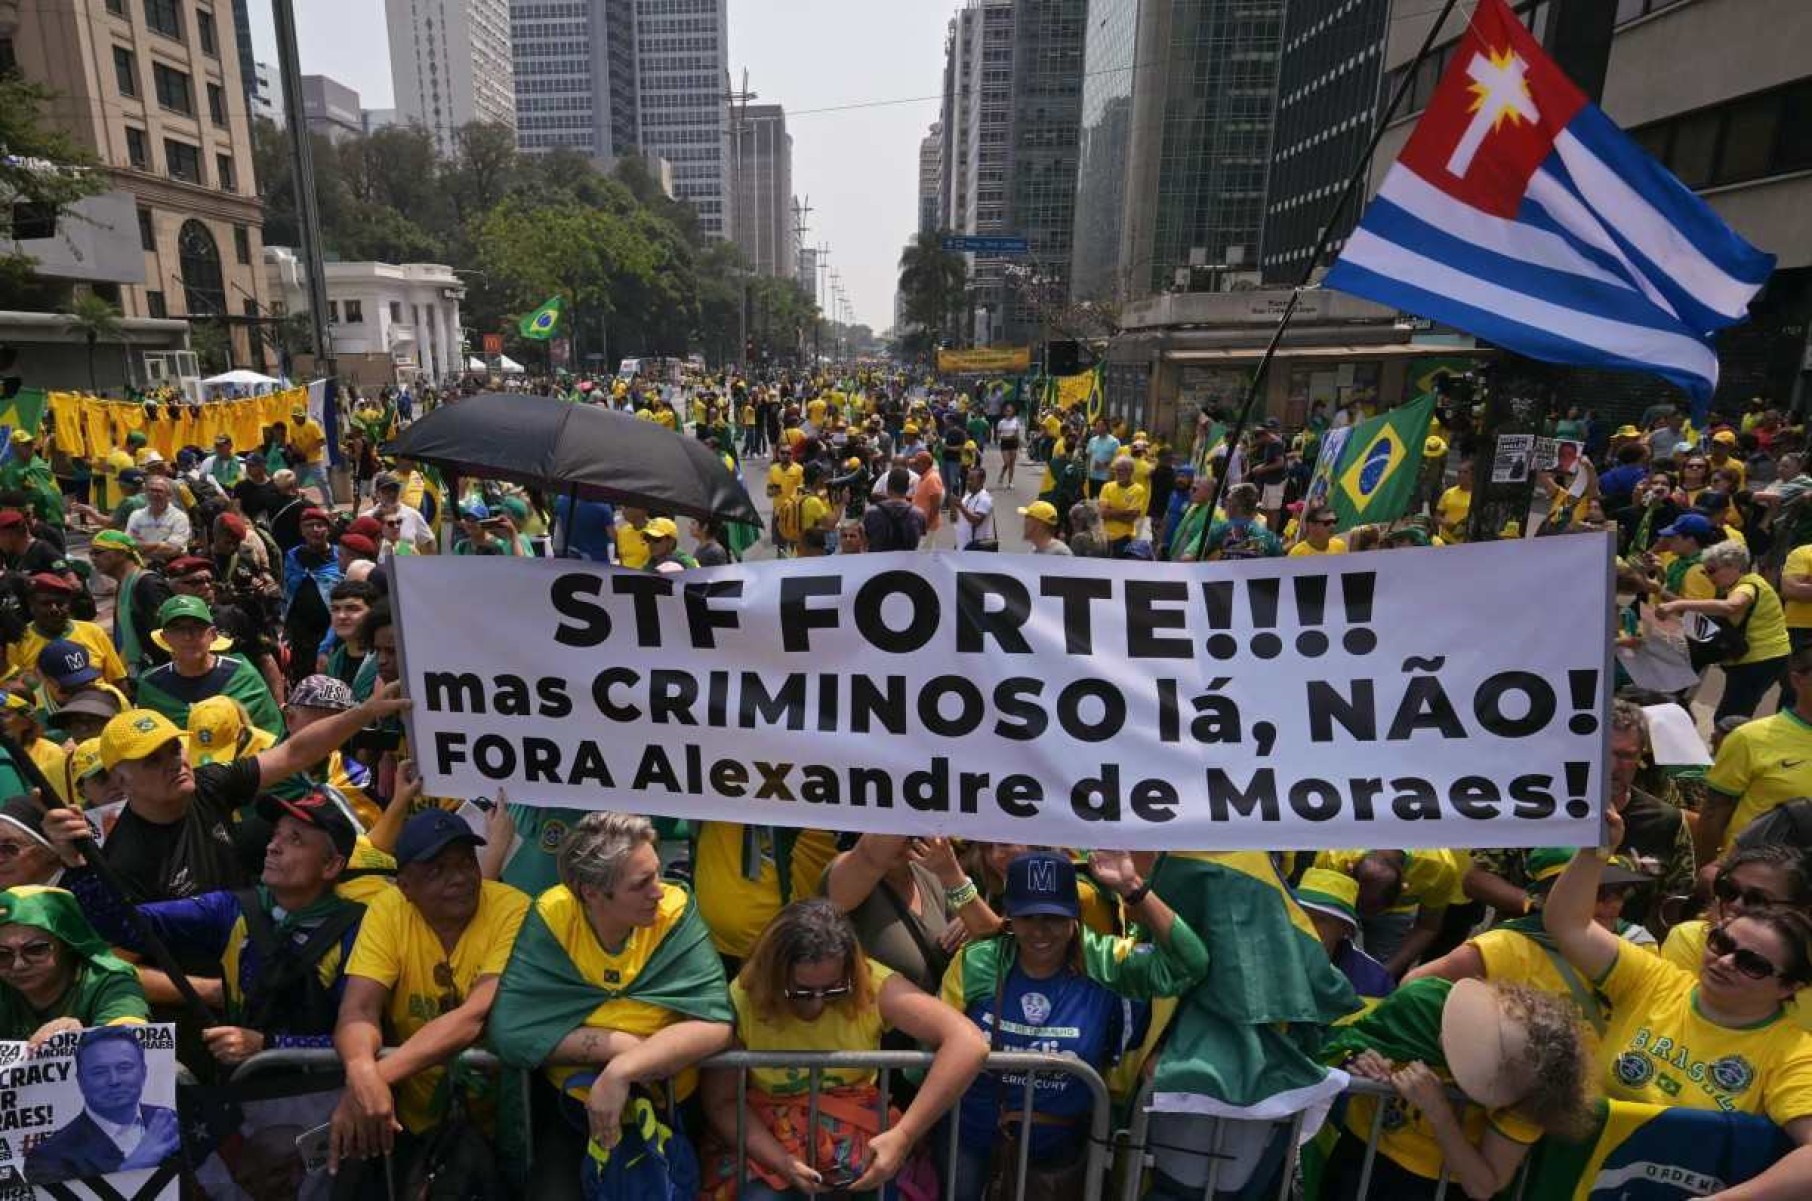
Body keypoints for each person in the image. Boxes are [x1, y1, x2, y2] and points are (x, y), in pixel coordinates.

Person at [1543, 809, 1812, 1194]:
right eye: (1722, 944)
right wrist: (1594, 852)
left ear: (1790, 987)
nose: (1726, 962)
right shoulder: (1654, 981)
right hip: (1580, 1178)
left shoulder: (1794, 1054)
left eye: (1752, 964)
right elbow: (1568, 925)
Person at [940, 851, 1208, 1197]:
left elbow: (1191, 964)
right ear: (1009, 916)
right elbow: (930, 1052)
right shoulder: (978, 961)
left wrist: (1134, 888)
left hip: (1062, 1156)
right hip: (972, 1142)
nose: (1039, 931)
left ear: (1075, 918)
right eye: (1027, 917)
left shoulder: (1105, 961)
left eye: (1053, 917)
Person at [52, 790, 365, 1067]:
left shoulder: (360, 929)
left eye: (295, 839)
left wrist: (267, 1046)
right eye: (276, 834)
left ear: (331, 866)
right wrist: (78, 864)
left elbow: (363, 1038)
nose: (273, 847)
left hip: (333, 1099)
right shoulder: (230, 909)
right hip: (244, 1103)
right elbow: (124, 926)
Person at [698, 899, 987, 1199]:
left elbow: (969, 1043)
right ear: (773, 976)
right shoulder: (744, 995)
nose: (817, 1004)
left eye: (834, 990)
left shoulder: (873, 983)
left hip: (858, 1140)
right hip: (770, 1142)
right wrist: (782, 1163)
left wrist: (903, 1135)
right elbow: (723, 1101)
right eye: (801, 992)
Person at [491, 813, 733, 1153]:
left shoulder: (675, 908)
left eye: (657, 874)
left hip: (669, 1106)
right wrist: (621, 1046)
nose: (658, 892)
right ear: (591, 893)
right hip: (571, 1106)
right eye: (641, 884)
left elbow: (716, 1023)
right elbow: (511, 1032)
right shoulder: (553, 913)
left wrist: (624, 1068)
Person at [40, 684, 408, 904]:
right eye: (152, 760)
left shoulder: (208, 783)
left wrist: (364, 713)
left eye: (174, 748)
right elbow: (127, 963)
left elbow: (294, 753)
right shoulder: (115, 853)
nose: (175, 763)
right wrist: (214, 990)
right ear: (121, 781)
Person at [330, 809, 531, 1175]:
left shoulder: (512, 907)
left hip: (502, 1120)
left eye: (466, 863)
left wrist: (373, 1079)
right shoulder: (388, 909)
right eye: (437, 870)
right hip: (408, 1119)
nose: (459, 879)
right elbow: (359, 1009)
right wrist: (360, 1070)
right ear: (404, 887)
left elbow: (475, 1017)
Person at [1319, 976, 1594, 1200]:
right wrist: (1360, 1061)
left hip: (1429, 1188)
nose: (1448, 1041)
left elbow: (1483, 1186)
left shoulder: (1532, 1088)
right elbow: (1351, 1041)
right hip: (1357, 1159)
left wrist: (1439, 1112)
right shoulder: (1421, 1004)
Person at [1408, 849, 1657, 1026]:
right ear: (1551, 897)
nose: (1609, 904)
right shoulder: (1504, 945)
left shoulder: (1639, 945)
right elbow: (1414, 989)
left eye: (1617, 893)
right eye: (1595, 893)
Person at [1660, 844, 1812, 1031]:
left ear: (1802, 910)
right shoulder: (1691, 938)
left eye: (1758, 900)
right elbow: (1681, 1019)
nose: (1735, 905)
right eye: (1729, 890)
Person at [24, 1027, 180, 1183]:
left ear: (144, 1072)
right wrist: (135, 1165)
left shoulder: (172, 1121)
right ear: (80, 1080)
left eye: (124, 1068)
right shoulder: (47, 1156)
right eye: (99, 1072)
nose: (114, 1080)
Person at [1658, 540, 1792, 721]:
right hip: (1755, 659)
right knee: (1731, 714)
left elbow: (1732, 606)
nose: (1709, 578)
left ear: (1734, 566)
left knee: (1729, 717)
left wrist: (1678, 604)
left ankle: (1731, 747)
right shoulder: (1735, 586)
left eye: (1712, 571)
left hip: (1760, 659)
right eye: (1706, 572)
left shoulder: (1748, 585)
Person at [1697, 648, 1812, 857]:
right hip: (1749, 877)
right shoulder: (1749, 738)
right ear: (1797, 680)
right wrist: (1705, 876)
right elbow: (1713, 815)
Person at [0, 885, 148, 1045]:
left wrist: (83, 1036)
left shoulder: (111, 983)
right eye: (2, 954)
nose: (18, 965)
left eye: (35, 949)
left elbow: (127, 1038)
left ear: (69, 945)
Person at [822, 834, 961, 995]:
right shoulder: (847, 874)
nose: (900, 843)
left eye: (908, 835)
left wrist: (967, 924)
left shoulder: (930, 872)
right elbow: (869, 857)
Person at [134, 595, 283, 739]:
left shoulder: (241, 675)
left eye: (197, 627)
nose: (188, 636)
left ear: (212, 635)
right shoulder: (152, 687)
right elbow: (149, 743)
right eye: (177, 629)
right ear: (164, 638)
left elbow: (271, 734)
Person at [6, 573, 126, 686]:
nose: (54, 609)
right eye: (46, 603)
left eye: (60, 603)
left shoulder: (93, 632)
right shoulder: (18, 640)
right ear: (31, 606)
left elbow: (118, 680)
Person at [1295, 867, 1394, 1000]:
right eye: (1299, 914)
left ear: (1346, 929)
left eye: (1320, 919)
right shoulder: (1266, 956)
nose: (1306, 924)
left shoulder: (1374, 983)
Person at [88, 529, 171, 680]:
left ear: (121, 553)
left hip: (157, 674)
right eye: (91, 554)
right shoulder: (123, 584)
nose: (93, 558)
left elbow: (164, 634)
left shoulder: (146, 584)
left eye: (98, 552)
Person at [283, 507, 343, 686]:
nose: (315, 530)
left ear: (328, 529)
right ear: (302, 530)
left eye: (320, 525)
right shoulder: (293, 556)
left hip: (331, 632)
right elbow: (288, 592)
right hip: (301, 635)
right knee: (302, 683)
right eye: (309, 525)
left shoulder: (339, 556)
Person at [123, 476, 191, 563]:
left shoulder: (179, 517)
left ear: (169, 495)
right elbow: (128, 544)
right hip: (142, 564)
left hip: (171, 565)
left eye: (159, 491)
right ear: (146, 493)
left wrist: (141, 548)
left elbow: (173, 549)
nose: (155, 494)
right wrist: (160, 544)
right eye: (151, 490)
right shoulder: (136, 515)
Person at [862, 468, 925, 552]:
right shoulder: (918, 514)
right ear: (907, 487)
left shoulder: (871, 513)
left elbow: (865, 541)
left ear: (888, 486)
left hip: (878, 561)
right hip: (907, 562)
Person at [1098, 456, 1148, 555]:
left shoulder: (1138, 489)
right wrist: (1126, 512)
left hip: (1126, 537)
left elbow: (1131, 518)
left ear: (1131, 471)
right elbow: (1102, 513)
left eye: (1124, 470)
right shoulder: (1107, 487)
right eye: (1117, 470)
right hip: (1105, 536)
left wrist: (1111, 511)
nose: (1119, 473)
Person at [954, 465, 996, 551]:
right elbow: (954, 519)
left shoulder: (984, 499)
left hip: (976, 549)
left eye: (972, 479)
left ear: (982, 480)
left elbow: (977, 521)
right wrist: (952, 505)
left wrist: (961, 507)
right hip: (963, 547)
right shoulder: (966, 498)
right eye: (967, 479)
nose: (968, 482)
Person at [995, 403, 1023, 489]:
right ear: (1004, 412)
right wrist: (1005, 437)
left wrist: (1020, 445)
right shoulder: (1001, 422)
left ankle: (1010, 482)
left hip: (1013, 443)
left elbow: (1017, 434)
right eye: (1007, 410)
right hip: (1005, 443)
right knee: (1007, 462)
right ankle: (1002, 474)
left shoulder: (1016, 421)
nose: (1009, 412)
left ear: (1013, 411)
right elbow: (998, 436)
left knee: (1012, 464)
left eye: (1010, 410)